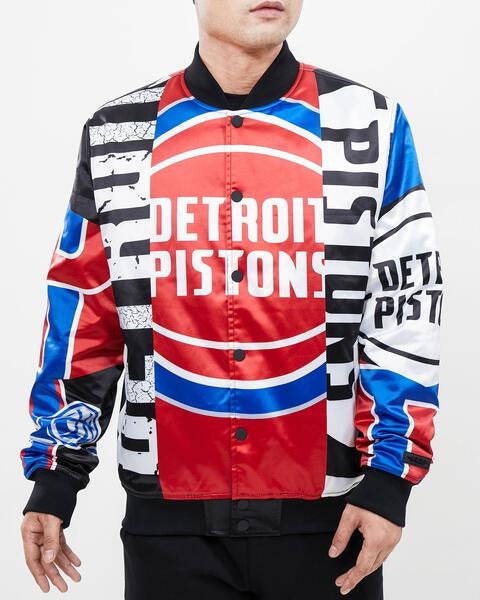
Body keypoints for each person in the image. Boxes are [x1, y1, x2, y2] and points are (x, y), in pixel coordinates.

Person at [19, 1, 443, 598]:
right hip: (168, 528)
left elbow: (404, 307)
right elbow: (87, 316)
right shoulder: (118, 132)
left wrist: (390, 480)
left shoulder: (372, 123)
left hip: (332, 524)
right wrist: (56, 475)